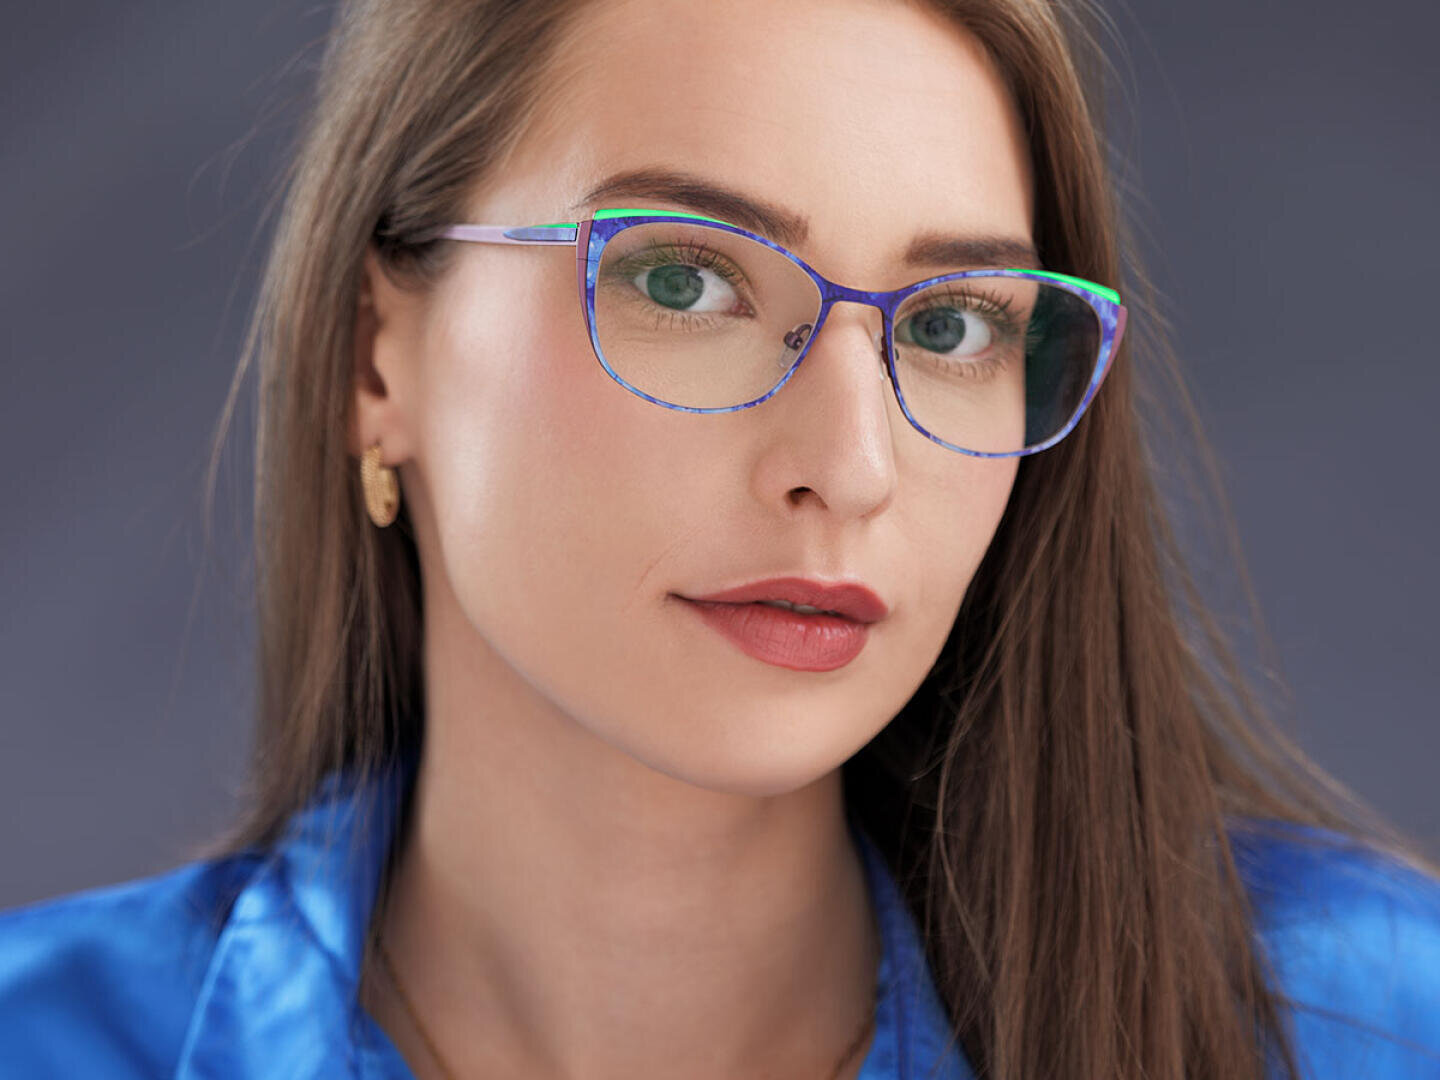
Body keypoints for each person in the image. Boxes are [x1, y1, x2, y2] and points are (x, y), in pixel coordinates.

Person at [2, 0, 1438, 1077]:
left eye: (950, 326)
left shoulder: (1361, 1023)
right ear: (379, 358)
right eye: (686, 282)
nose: (850, 467)